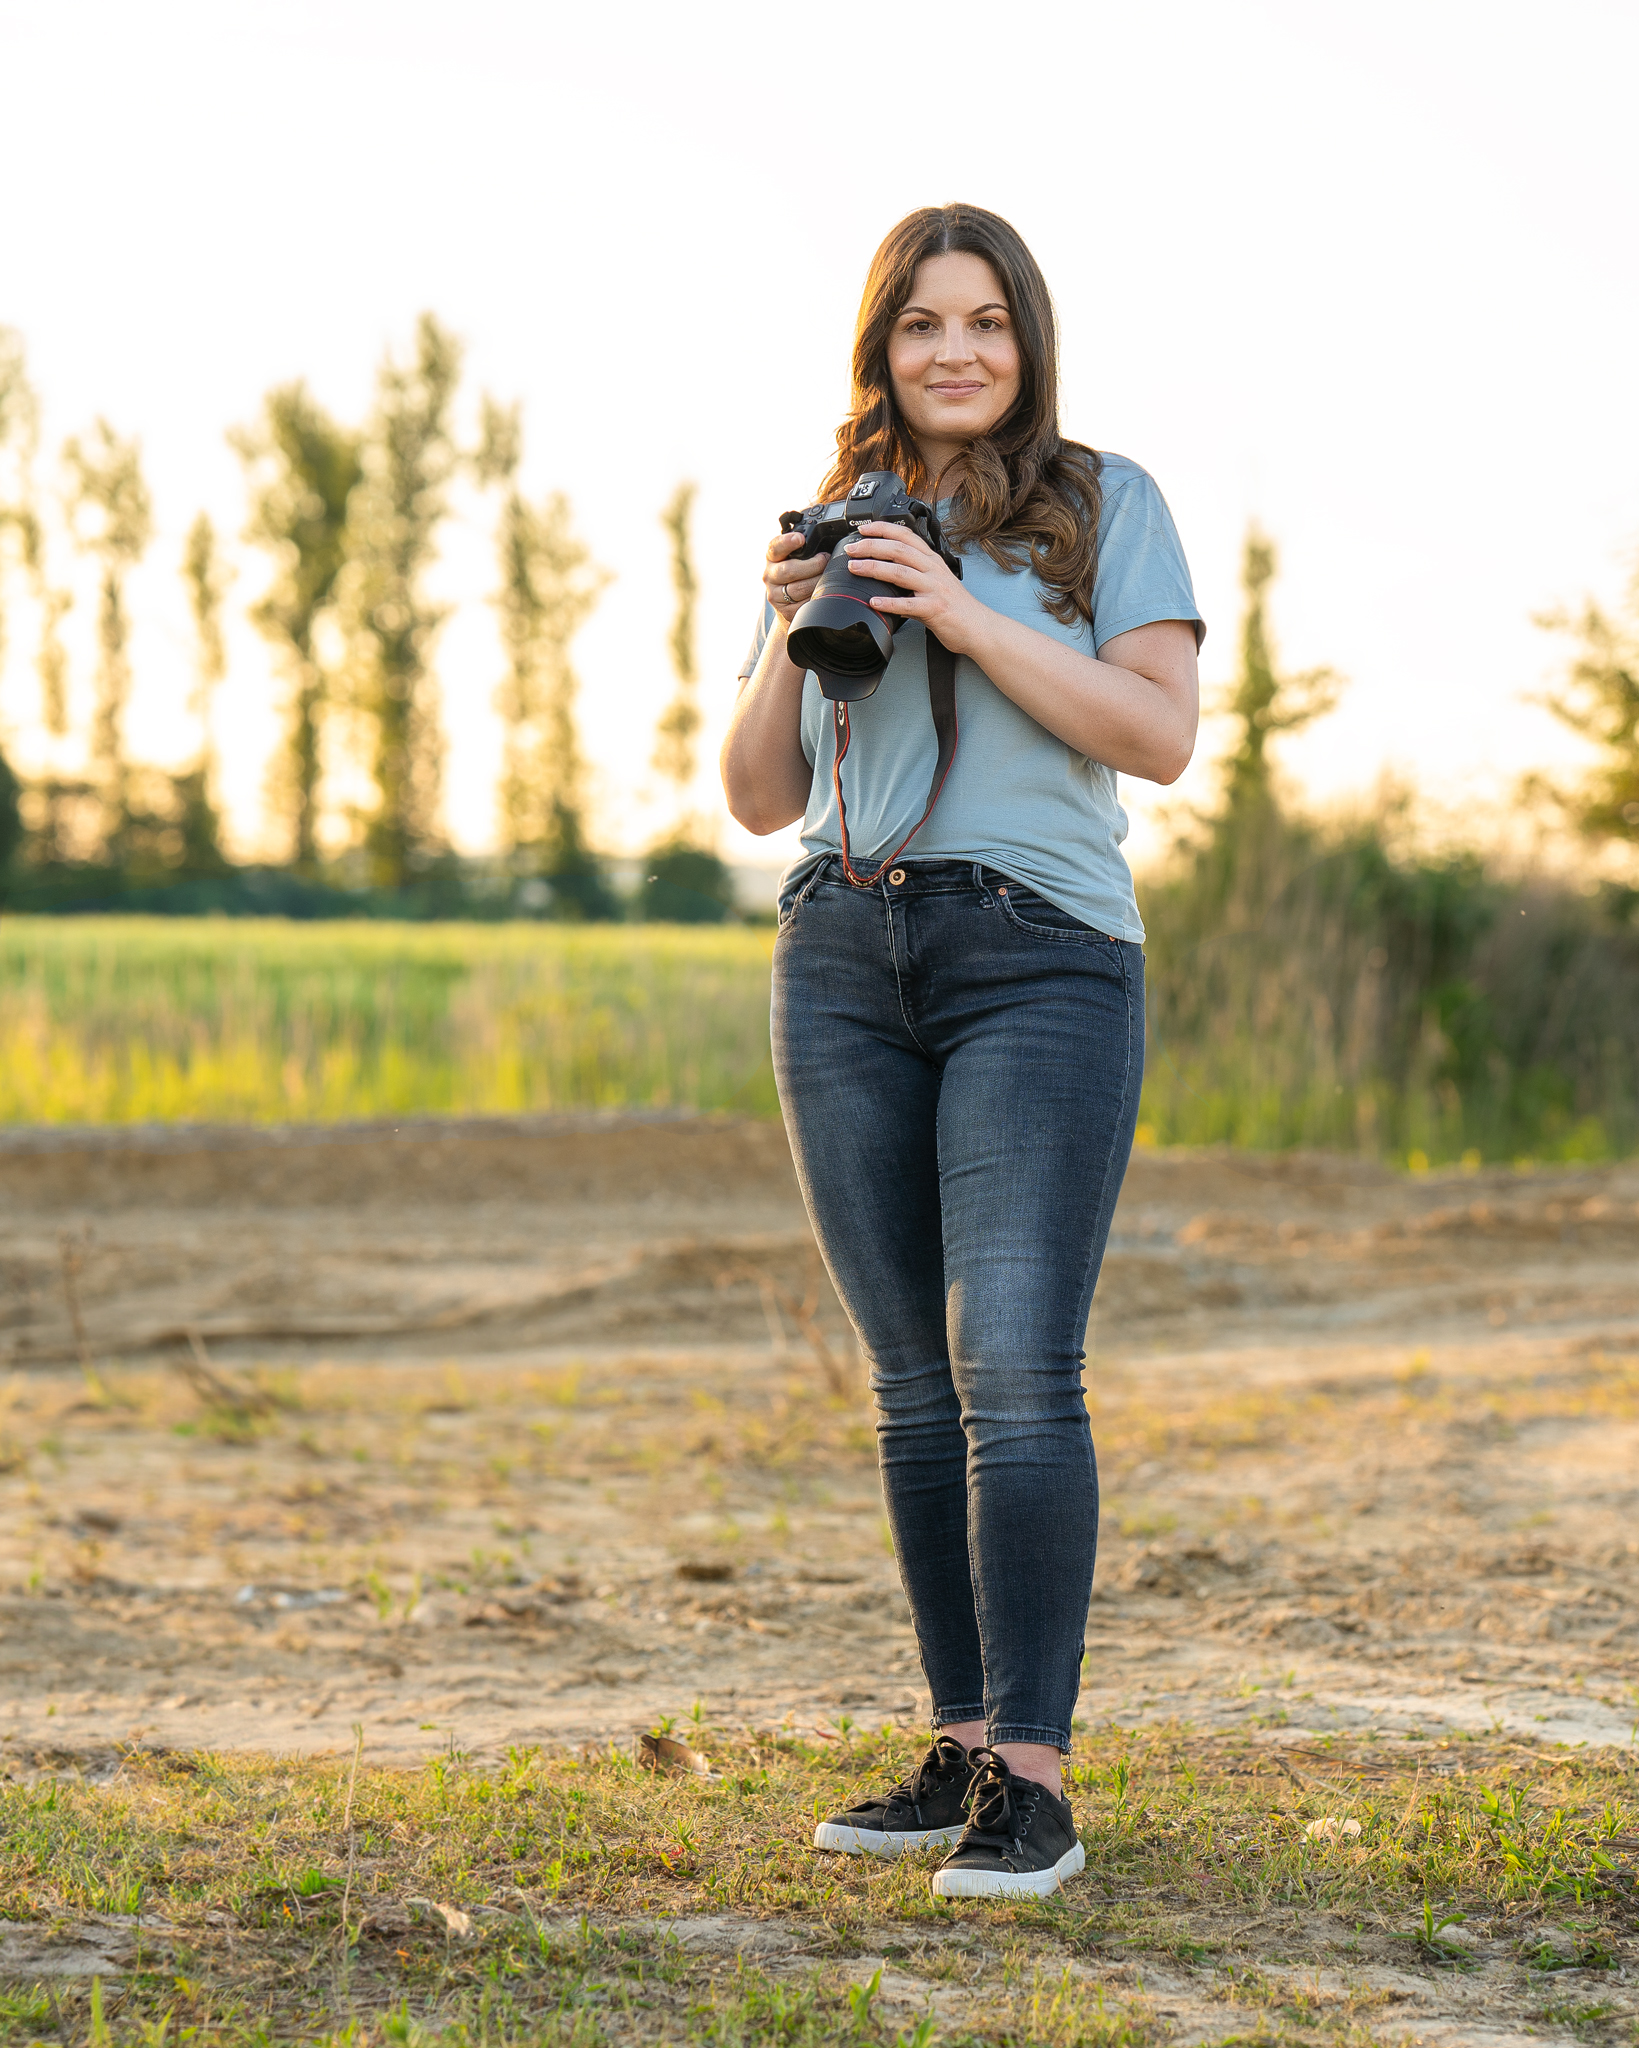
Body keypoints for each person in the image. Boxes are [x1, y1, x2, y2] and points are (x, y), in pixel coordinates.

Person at [720, 203, 1203, 1899]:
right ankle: (961, 1742)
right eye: (924, 324)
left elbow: (1157, 736)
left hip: (1041, 959)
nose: (956, 353)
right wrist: (798, 619)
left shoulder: (1103, 505)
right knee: (911, 1386)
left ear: (1028, 341)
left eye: (987, 322)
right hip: (843, 948)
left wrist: (969, 611)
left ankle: (1039, 1786)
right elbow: (761, 794)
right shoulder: (841, 514)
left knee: (1013, 1367)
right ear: (884, 344)